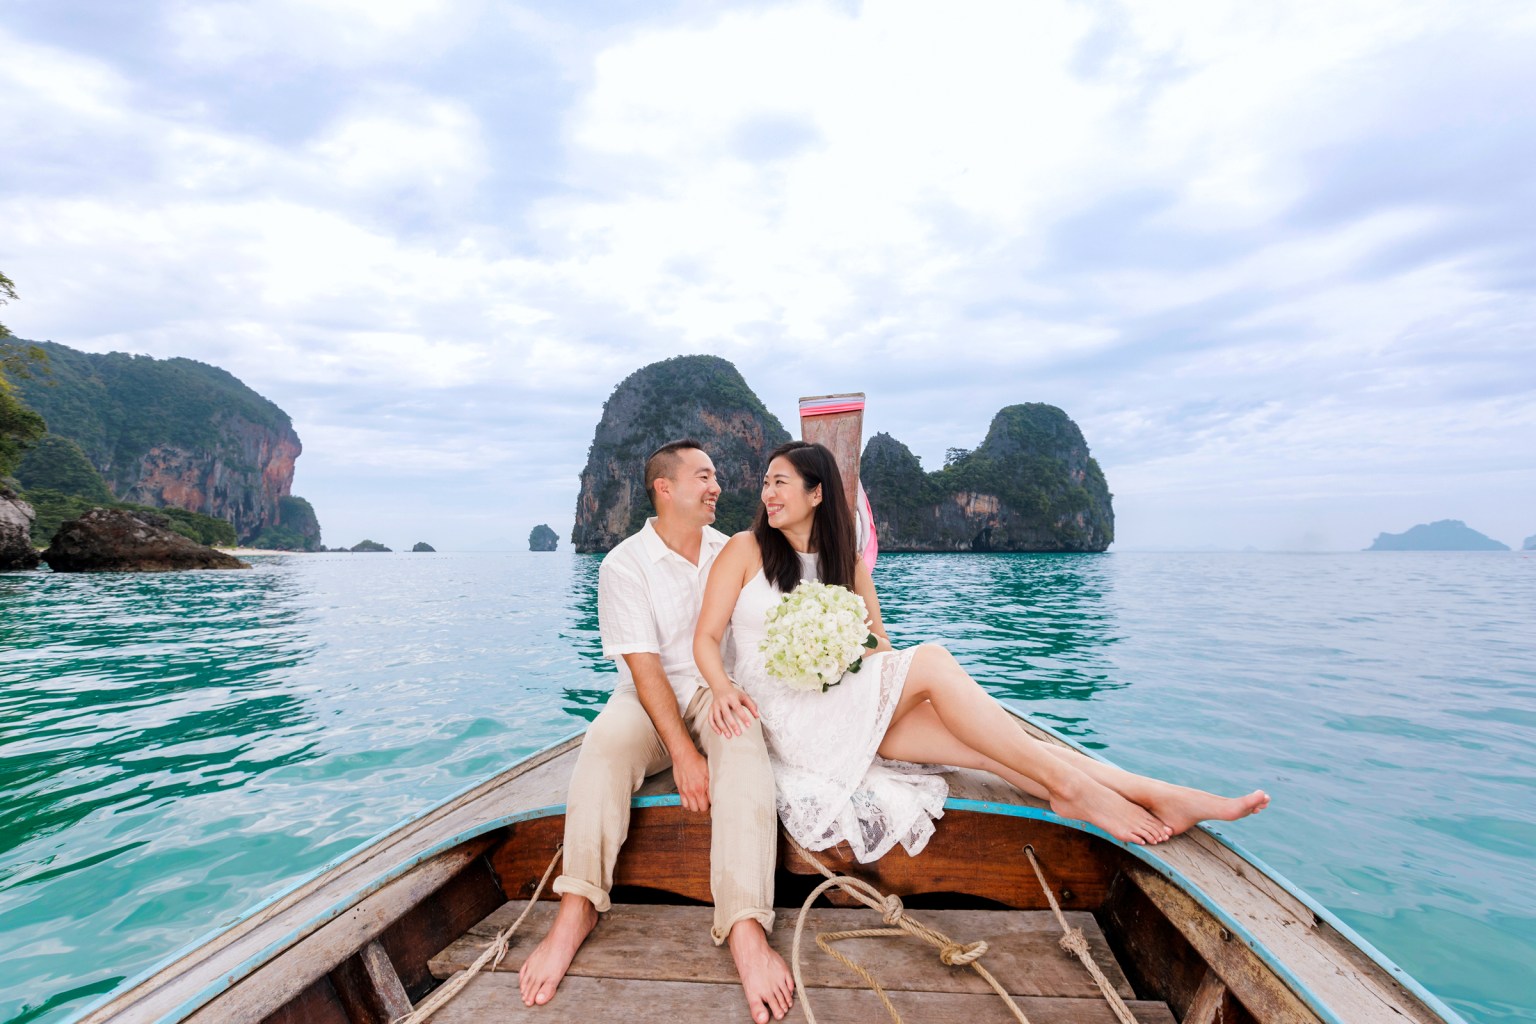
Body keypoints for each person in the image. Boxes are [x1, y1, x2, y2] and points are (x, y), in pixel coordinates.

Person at [694, 440, 1269, 861]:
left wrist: (847, 657)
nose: (767, 493)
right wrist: (721, 688)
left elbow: (878, 648)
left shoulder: (845, 564)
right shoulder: (746, 549)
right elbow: (706, 637)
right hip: (783, 716)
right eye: (766, 482)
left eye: (780, 482)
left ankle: (1164, 794)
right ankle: (1075, 791)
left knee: (994, 750)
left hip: (846, 701)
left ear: (816, 493)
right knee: (938, 662)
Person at [519, 440, 795, 1023]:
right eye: (703, 476)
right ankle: (577, 906)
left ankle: (745, 926)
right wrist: (683, 754)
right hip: (647, 696)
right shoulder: (623, 564)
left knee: (743, 748)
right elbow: (645, 671)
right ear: (664, 488)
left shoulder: (736, 550)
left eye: (715, 475)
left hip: (717, 688)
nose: (716, 486)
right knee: (602, 747)